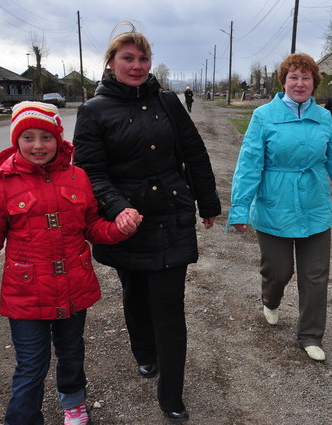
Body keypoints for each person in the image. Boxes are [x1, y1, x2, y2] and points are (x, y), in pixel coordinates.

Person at [72, 22, 221, 422]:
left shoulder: (168, 102)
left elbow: (194, 152)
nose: (137, 66)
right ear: (111, 62)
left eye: (143, 59)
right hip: (126, 221)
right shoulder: (93, 111)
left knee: (169, 305)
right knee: (136, 293)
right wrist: (116, 206)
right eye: (128, 58)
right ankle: (144, 352)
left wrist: (207, 203)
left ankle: (171, 394)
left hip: (171, 214)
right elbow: (89, 171)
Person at [0, 101, 142, 425]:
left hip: (73, 286)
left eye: (46, 137)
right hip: (26, 295)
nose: (38, 145)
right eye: (28, 137)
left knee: (71, 351)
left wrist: (117, 228)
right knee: (31, 364)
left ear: (58, 137)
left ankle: (73, 402)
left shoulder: (78, 177)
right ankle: (24, 418)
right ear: (16, 140)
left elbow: (91, 227)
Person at [227, 53, 332, 362]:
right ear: (284, 82)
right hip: (274, 206)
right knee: (279, 271)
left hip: (314, 206)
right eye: (294, 77)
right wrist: (239, 208)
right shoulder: (264, 116)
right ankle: (270, 299)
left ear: (314, 83)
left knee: (316, 276)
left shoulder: (323, 117)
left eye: (306, 78)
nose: (300, 83)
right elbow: (249, 165)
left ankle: (311, 335)